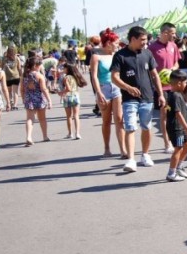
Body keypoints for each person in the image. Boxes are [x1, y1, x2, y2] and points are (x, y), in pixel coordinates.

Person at [111, 26, 166, 172]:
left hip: (147, 97)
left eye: (146, 40)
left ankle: (145, 154)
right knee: (130, 127)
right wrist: (127, 87)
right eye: (142, 40)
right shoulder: (120, 56)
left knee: (147, 127)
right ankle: (130, 159)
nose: (145, 42)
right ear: (133, 39)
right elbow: (114, 77)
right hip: (129, 99)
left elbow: (155, 75)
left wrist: (160, 94)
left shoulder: (147, 53)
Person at [90, 29, 126, 158]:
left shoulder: (117, 55)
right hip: (103, 88)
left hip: (117, 88)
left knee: (119, 119)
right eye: (116, 42)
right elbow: (94, 76)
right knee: (106, 120)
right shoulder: (96, 56)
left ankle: (123, 149)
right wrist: (98, 93)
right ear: (109, 42)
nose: (118, 45)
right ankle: (107, 148)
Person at [149, 22, 182, 154]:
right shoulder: (152, 48)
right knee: (164, 115)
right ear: (165, 32)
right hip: (161, 88)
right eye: (173, 33)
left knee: (176, 113)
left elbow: (176, 62)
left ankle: (177, 141)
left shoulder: (173, 45)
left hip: (174, 86)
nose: (175, 36)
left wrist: (172, 69)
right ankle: (166, 142)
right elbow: (149, 68)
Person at [164, 70, 187, 182]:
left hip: (180, 127)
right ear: (179, 83)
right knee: (179, 148)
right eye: (185, 83)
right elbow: (178, 114)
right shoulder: (175, 96)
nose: (186, 85)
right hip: (177, 128)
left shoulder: (176, 95)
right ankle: (171, 173)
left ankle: (179, 166)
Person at [21, 56, 52, 146]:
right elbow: (44, 89)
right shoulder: (39, 75)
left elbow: (22, 89)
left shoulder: (24, 75)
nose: (40, 66)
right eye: (39, 65)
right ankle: (45, 136)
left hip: (29, 98)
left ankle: (29, 137)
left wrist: (23, 98)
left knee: (29, 118)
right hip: (39, 98)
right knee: (42, 118)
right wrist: (49, 100)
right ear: (35, 65)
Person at [59, 63, 86, 140]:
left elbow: (68, 89)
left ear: (67, 69)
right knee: (76, 116)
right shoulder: (75, 77)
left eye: (64, 68)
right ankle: (77, 133)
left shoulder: (66, 77)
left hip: (67, 96)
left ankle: (70, 133)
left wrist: (60, 92)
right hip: (76, 96)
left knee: (69, 116)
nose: (63, 69)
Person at [1, 46, 22, 110]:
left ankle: (10, 102)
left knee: (9, 91)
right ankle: (15, 105)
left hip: (7, 77)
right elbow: (19, 68)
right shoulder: (17, 58)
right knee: (15, 92)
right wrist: (21, 76)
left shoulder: (4, 59)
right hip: (16, 76)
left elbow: (1, 67)